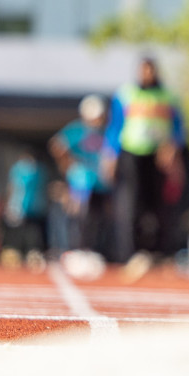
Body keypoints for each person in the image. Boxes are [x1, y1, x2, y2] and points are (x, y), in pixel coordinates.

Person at [105, 57, 187, 277]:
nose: (147, 74)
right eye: (143, 70)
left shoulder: (168, 96)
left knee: (160, 207)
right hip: (132, 153)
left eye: (150, 70)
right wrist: (110, 156)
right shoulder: (125, 94)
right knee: (130, 205)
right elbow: (115, 126)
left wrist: (173, 149)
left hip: (159, 156)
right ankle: (130, 255)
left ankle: (159, 254)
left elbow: (178, 127)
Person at [50, 95, 114, 257]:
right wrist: (68, 165)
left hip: (100, 183)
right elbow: (57, 145)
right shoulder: (77, 130)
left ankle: (94, 249)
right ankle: (76, 249)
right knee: (79, 216)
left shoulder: (106, 131)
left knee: (98, 218)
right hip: (81, 183)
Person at [2, 149, 50, 268]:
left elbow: (12, 187)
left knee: (22, 233)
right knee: (31, 233)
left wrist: (8, 204)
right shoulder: (39, 170)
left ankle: (23, 254)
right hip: (32, 207)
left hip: (23, 207)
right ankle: (30, 254)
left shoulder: (20, 169)